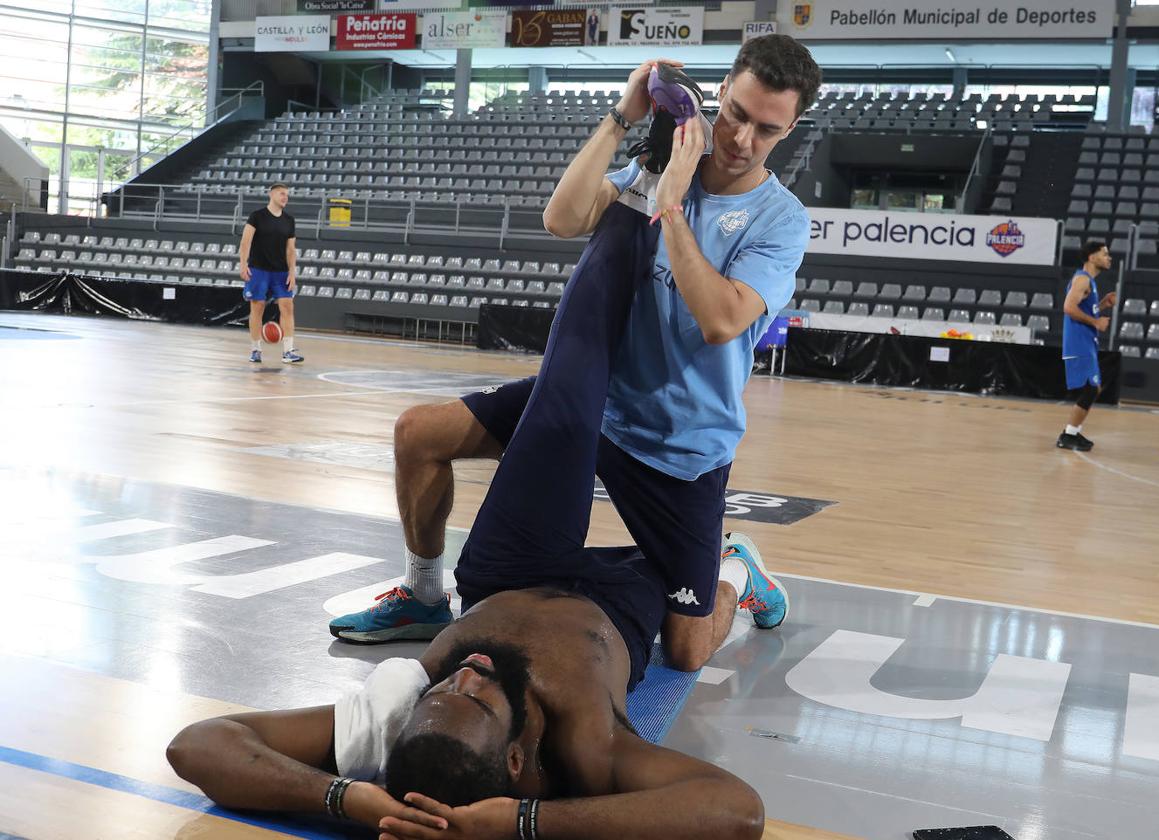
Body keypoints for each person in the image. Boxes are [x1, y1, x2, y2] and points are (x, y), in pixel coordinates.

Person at [167, 200, 766, 840]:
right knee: (689, 645)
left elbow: (198, 745)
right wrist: (528, 823)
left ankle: (632, 202)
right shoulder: (588, 750)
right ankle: (742, 573)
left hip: (511, 571)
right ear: (517, 757)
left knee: (569, 394)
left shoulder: (393, 723)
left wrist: (344, 798)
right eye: (477, 698)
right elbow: (736, 812)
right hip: (618, 604)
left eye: (439, 690)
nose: (467, 670)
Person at [328, 36, 822, 674]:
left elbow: (722, 319)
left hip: (679, 445)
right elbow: (561, 218)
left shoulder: (780, 220)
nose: (742, 139)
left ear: (791, 128)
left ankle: (735, 570)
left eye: (766, 129)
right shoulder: (654, 167)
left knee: (686, 650)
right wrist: (623, 118)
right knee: (419, 433)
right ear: (720, 93)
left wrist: (671, 205)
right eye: (736, 115)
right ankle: (425, 596)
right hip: (595, 406)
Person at [1057, 240, 1115, 452]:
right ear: (1092, 257)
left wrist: (1101, 306)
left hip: (1085, 343)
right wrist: (1096, 322)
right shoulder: (1082, 280)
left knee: (1094, 388)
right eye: (1105, 254)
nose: (1109, 258)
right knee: (1091, 388)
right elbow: (1068, 308)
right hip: (1078, 343)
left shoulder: (1088, 281)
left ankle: (1072, 432)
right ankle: (1067, 435)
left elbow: (1083, 308)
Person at [239, 182, 303, 364]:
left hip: (281, 272)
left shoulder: (289, 220)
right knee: (257, 308)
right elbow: (245, 242)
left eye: (287, 195)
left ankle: (288, 351)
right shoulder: (257, 216)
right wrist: (243, 264)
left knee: (287, 307)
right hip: (259, 270)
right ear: (272, 195)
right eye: (282, 194)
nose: (285, 197)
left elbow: (291, 249)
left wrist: (292, 272)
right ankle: (255, 350)